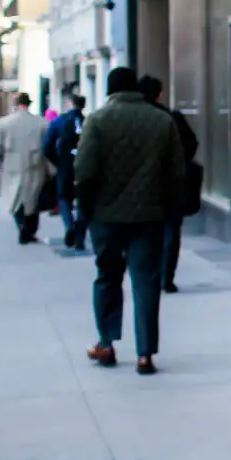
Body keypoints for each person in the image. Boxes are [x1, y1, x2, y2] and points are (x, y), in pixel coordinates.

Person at [75, 66, 186, 375]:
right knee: (146, 281)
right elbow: (177, 172)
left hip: (106, 216)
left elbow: (83, 172)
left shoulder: (97, 121)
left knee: (107, 277)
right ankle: (145, 354)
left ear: (110, 91)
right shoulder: (161, 120)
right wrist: (168, 208)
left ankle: (107, 344)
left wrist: (85, 211)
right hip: (149, 216)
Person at [136, 76, 199, 294]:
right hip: (172, 184)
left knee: (147, 232)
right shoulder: (171, 117)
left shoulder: (134, 120)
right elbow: (191, 144)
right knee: (171, 231)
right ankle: (167, 277)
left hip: (143, 186)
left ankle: (150, 272)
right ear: (160, 94)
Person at [0, 93, 50, 244]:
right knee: (33, 199)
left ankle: (21, 226)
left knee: (15, 198)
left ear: (15, 104)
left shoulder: (4, 123)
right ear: (28, 104)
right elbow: (48, 145)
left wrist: (1, 158)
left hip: (12, 164)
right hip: (35, 164)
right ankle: (29, 230)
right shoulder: (41, 123)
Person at [44, 93, 89, 249]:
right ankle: (81, 234)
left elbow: (47, 146)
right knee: (84, 201)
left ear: (69, 104)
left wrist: (57, 162)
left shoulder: (58, 122)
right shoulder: (88, 122)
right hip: (85, 167)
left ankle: (69, 225)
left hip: (65, 165)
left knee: (64, 198)